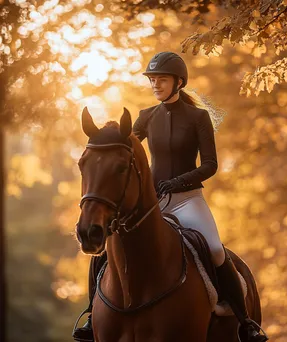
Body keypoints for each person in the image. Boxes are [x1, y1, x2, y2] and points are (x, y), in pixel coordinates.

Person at [73, 52, 268, 342]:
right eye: (152, 80)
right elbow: (124, 147)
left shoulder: (198, 117)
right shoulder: (146, 117)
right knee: (107, 250)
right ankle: (92, 316)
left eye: (161, 80)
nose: (155, 85)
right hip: (153, 204)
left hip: (188, 200)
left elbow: (210, 165)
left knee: (214, 249)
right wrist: (105, 137)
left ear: (179, 82)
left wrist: (178, 181)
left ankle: (245, 323)